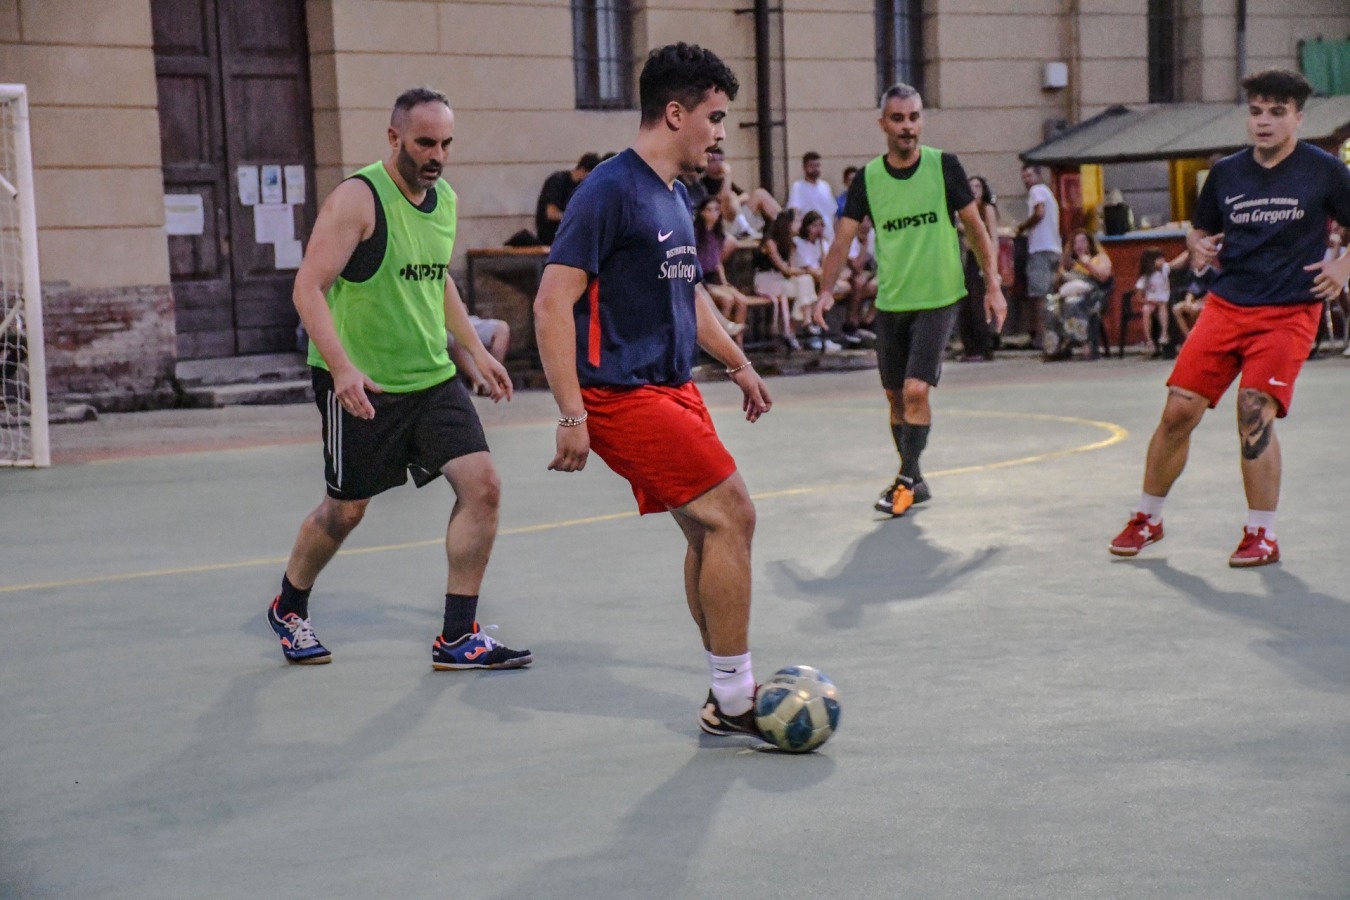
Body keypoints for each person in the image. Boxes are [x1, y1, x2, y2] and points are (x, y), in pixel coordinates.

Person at [532, 43, 775, 739]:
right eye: (715, 117)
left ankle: (724, 693)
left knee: (708, 527)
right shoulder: (608, 189)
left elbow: (687, 290)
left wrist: (737, 362)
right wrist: (571, 414)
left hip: (672, 387)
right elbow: (551, 303)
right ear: (675, 114)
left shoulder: (675, 193)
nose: (721, 134)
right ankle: (736, 698)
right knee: (734, 516)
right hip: (619, 395)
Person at [268, 87, 531, 669]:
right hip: (363, 384)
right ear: (394, 138)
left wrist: (474, 351)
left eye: (446, 144)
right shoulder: (358, 200)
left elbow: (436, 279)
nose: (437, 156)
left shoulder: (445, 201)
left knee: (483, 486)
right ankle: (289, 606)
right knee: (345, 511)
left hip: (431, 378)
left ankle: (457, 637)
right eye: (425, 143)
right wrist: (342, 368)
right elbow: (307, 287)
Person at [1108, 68, 1350, 568]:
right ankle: (1147, 518)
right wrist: (1196, 244)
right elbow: (1200, 229)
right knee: (1178, 412)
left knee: (1253, 411)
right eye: (1256, 111)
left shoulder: (1325, 171)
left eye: (1277, 113)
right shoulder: (1226, 173)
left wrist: (1343, 265)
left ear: (1298, 118)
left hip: (1288, 311)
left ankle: (1262, 534)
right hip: (1226, 307)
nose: (1264, 122)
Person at [814, 82, 1007, 517]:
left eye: (914, 118)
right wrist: (825, 291)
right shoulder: (868, 179)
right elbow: (842, 241)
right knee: (895, 396)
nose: (907, 127)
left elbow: (976, 229)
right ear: (883, 123)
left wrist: (993, 285)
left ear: (922, 121)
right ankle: (914, 479)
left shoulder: (944, 167)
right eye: (898, 119)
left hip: (939, 296)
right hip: (892, 301)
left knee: (916, 390)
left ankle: (904, 482)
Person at [1045, 228, 1112, 360]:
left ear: (1090, 243)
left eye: (1082, 241)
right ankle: (1055, 348)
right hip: (1068, 295)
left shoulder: (1100, 258)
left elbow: (1104, 276)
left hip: (1094, 296)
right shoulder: (1070, 263)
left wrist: (1087, 264)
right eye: (1075, 242)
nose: (1079, 245)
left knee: (1075, 304)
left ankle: (1085, 344)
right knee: (1051, 307)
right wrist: (1062, 269)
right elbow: (1056, 285)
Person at [753, 209, 815, 350]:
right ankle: (792, 329)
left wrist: (805, 273)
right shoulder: (770, 242)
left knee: (806, 281)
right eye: (797, 221)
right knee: (804, 282)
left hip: (781, 279)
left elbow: (792, 269)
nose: (800, 224)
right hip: (766, 280)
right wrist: (807, 270)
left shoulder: (791, 243)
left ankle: (802, 322)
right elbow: (784, 268)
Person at [956, 175, 1001, 361]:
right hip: (968, 259)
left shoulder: (986, 208)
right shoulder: (965, 210)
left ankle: (983, 347)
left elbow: (993, 237)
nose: (974, 190)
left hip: (982, 259)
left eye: (977, 187)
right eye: (970, 187)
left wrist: (991, 266)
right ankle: (970, 347)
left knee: (979, 304)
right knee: (966, 304)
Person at [693, 195, 749, 341]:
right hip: (702, 279)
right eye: (709, 210)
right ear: (702, 212)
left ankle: (738, 344)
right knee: (727, 300)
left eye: (716, 210)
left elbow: (718, 261)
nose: (713, 214)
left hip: (714, 277)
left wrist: (724, 281)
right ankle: (719, 340)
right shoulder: (696, 234)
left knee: (742, 300)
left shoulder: (718, 234)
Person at [1016, 164, 1062, 342]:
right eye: (1024, 177)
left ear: (1038, 175)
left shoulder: (1037, 191)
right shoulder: (1049, 193)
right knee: (1050, 295)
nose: (1026, 180)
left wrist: (1022, 227)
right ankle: (1053, 334)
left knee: (1038, 295)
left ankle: (1041, 337)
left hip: (1040, 249)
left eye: (1029, 176)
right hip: (1054, 248)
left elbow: (1039, 212)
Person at [700, 147, 780, 239]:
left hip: (738, 219)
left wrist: (736, 202)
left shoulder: (724, 180)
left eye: (721, 160)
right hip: (722, 224)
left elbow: (745, 195)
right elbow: (723, 199)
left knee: (760, 193)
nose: (719, 163)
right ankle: (744, 228)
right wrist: (727, 176)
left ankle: (785, 225)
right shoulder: (703, 183)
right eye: (714, 160)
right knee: (730, 196)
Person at [535, 152, 601, 245]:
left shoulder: (582, 187)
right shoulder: (558, 181)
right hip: (552, 234)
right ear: (582, 170)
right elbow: (551, 213)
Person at [787, 151, 837, 242]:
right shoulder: (798, 186)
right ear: (804, 167)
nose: (815, 169)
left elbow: (833, 213)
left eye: (817, 165)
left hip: (828, 237)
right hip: (809, 238)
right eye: (811, 166)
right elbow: (795, 211)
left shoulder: (825, 186)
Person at [1133, 248, 1173, 356]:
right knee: (1146, 310)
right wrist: (1148, 301)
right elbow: (1138, 297)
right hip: (1151, 301)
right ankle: (1149, 340)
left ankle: (1164, 333)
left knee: (1163, 306)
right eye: (1159, 258)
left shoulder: (1165, 269)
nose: (1162, 260)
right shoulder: (1145, 278)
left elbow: (1176, 263)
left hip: (1164, 300)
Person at [1171, 252, 1216, 341]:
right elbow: (1190, 291)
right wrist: (1189, 302)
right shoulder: (1192, 273)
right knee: (1177, 308)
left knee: (1198, 310)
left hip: (1207, 302)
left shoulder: (1212, 272)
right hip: (1194, 301)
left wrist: (1200, 302)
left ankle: (1203, 337)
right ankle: (1189, 337)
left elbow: (1212, 292)